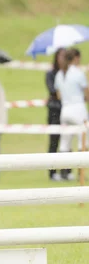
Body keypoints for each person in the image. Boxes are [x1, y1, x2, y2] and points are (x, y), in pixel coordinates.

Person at [55, 48, 89, 180]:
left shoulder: (59, 74)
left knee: (65, 142)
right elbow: (87, 94)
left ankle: (64, 173)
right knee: (83, 141)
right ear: (75, 58)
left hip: (65, 109)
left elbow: (58, 95)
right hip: (78, 109)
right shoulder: (78, 73)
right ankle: (80, 173)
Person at [45, 47, 66, 181]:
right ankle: (52, 172)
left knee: (66, 142)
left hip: (66, 109)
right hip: (54, 110)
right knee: (54, 141)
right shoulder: (50, 74)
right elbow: (53, 90)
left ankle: (66, 171)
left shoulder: (68, 73)